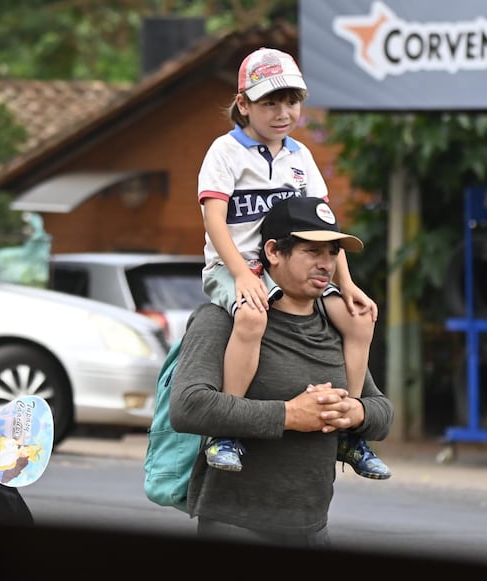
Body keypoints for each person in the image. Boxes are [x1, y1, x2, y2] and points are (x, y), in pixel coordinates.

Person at [197, 46, 389, 479]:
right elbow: (214, 219)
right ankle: (226, 430)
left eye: (292, 101)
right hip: (237, 268)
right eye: (270, 102)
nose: (283, 112)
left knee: (360, 319)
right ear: (243, 104)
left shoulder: (301, 157)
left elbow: (324, 233)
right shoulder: (224, 152)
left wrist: (349, 285)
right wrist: (242, 274)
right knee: (251, 318)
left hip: (294, 270)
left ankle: (347, 430)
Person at [169, 195, 394, 547]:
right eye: (312, 252)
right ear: (274, 252)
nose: (326, 264)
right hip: (236, 526)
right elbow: (188, 406)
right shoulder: (225, 318)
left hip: (313, 529)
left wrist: (355, 411)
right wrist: (289, 414)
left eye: (333, 253)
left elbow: (381, 410)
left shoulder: (337, 326)